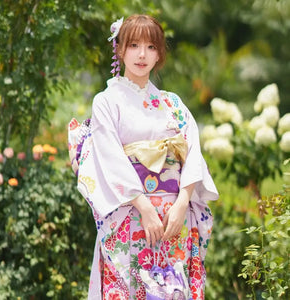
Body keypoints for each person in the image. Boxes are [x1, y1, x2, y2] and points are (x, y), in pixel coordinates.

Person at [70, 14, 218, 300]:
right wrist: (145, 208)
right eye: (134, 45)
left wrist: (181, 204)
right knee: (130, 288)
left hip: (174, 217)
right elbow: (108, 159)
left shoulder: (172, 103)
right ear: (120, 49)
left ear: (160, 53)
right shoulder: (107, 101)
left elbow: (193, 154)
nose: (142, 54)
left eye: (151, 47)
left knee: (174, 288)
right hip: (131, 214)